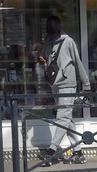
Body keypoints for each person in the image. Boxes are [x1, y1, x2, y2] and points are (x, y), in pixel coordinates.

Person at [35, 15, 89, 164]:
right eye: (47, 25)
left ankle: (51, 151)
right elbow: (47, 61)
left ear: (58, 26)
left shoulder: (68, 41)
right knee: (67, 119)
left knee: (62, 118)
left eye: (51, 25)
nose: (49, 28)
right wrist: (43, 61)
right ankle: (78, 153)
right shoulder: (48, 42)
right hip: (55, 85)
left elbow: (77, 62)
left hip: (67, 84)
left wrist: (86, 85)